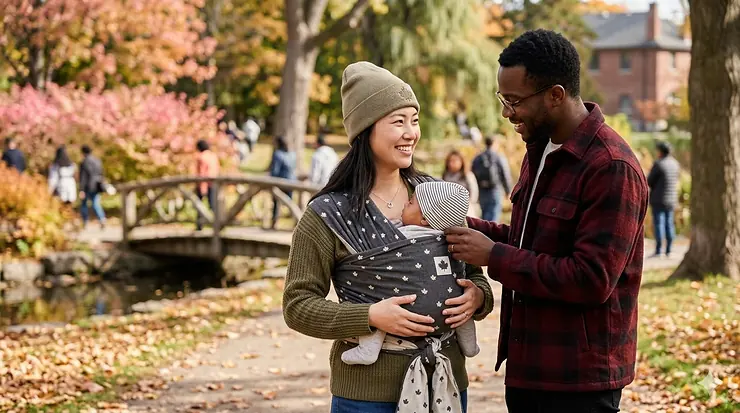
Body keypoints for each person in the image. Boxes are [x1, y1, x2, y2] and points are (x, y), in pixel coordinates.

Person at [444, 30, 649, 413]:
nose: (507, 112)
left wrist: (495, 256)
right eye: (503, 99)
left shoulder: (611, 167)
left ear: (555, 95)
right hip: (529, 369)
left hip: (578, 383)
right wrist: (455, 226)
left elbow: (590, 279)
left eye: (515, 100)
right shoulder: (539, 148)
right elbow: (529, 240)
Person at [282, 61, 494, 413]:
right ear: (366, 130)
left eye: (414, 120)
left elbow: (471, 273)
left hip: (446, 385)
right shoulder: (329, 213)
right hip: (366, 396)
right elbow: (297, 305)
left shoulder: (433, 195)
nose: (411, 132)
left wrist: (477, 297)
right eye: (398, 122)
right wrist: (369, 316)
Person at [340, 181, 480, 366]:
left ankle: (369, 348)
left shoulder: (400, 233)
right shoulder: (452, 238)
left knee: (378, 294)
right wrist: (477, 296)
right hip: (448, 306)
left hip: (407, 309)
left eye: (411, 202)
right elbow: (471, 273)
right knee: (460, 309)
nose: (405, 203)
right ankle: (470, 345)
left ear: (424, 220)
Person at [647, 141, 680, 258]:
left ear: (661, 152)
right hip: (671, 199)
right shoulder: (675, 164)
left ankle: (659, 250)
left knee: (659, 224)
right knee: (669, 224)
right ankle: (669, 249)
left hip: (659, 199)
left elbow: (649, 181)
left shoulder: (659, 164)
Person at [471, 136, 512, 222]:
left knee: (484, 216)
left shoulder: (478, 157)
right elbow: (505, 174)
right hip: (495, 190)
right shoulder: (498, 157)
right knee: (493, 216)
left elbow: (472, 173)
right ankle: (489, 235)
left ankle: (482, 233)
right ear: (494, 143)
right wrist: (508, 191)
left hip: (481, 190)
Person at [268, 135, 297, 229]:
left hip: (281, 182)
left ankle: (274, 222)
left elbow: (275, 171)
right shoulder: (293, 154)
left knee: (276, 201)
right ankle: (296, 221)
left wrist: (270, 179)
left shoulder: (277, 154)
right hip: (292, 182)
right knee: (290, 202)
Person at [442, 150, 479, 216]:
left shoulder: (467, 175)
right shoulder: (445, 176)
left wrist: (468, 204)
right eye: (450, 161)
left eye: (454, 161)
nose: (451, 163)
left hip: (466, 210)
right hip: (449, 210)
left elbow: (474, 192)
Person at [195, 140, 220, 231]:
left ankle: (199, 225)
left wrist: (202, 186)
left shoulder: (201, 157)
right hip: (214, 182)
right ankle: (218, 224)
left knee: (199, 205)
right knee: (213, 205)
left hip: (204, 183)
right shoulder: (213, 156)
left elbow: (202, 173)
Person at [79, 145, 107, 227]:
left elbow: (83, 177)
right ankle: (102, 218)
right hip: (97, 185)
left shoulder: (84, 162)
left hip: (87, 186)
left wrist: (81, 189)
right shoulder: (97, 160)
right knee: (96, 203)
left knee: (84, 204)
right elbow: (101, 173)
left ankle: (85, 221)